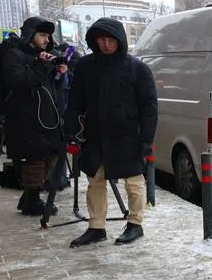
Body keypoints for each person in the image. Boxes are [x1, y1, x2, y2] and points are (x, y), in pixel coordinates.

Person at [65, 17, 157, 247]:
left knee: (133, 182)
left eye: (110, 40)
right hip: (95, 134)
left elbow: (150, 107)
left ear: (119, 41)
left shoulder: (137, 69)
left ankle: (136, 224)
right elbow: (75, 101)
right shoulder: (85, 67)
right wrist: (70, 129)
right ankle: (96, 227)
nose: (105, 44)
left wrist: (147, 139)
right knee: (95, 180)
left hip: (127, 135)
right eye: (101, 40)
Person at [0, 17, 67, 215]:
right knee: (34, 158)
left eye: (47, 36)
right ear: (30, 34)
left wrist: (59, 72)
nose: (46, 39)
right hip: (25, 116)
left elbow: (54, 85)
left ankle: (29, 195)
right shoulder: (14, 54)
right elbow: (19, 81)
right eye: (42, 35)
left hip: (49, 115)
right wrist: (41, 64)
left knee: (51, 154)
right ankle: (32, 199)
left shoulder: (47, 55)